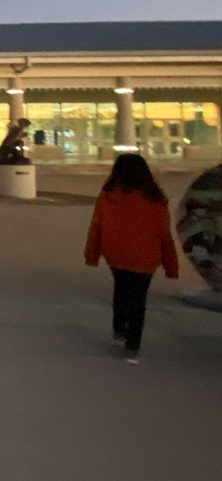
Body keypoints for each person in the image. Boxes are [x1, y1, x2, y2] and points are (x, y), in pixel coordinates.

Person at [84, 153, 180, 364]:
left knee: (121, 290)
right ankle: (133, 343)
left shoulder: (109, 195)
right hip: (146, 257)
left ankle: (119, 331)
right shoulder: (156, 199)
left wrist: (92, 255)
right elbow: (165, 235)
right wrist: (171, 266)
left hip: (116, 254)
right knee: (139, 299)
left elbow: (96, 227)